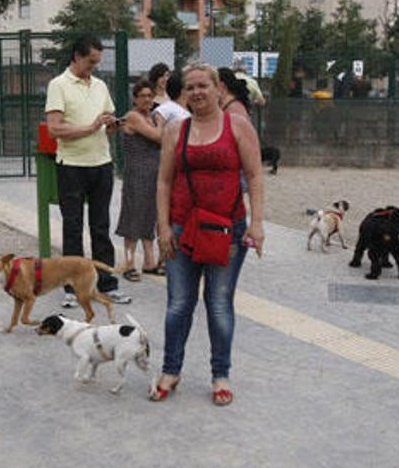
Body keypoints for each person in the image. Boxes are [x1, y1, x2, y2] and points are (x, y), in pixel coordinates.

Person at [152, 64, 266, 406]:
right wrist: (162, 227)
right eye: (190, 87)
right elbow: (164, 181)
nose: (197, 92)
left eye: (203, 85)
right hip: (182, 228)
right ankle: (171, 370)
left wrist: (257, 224)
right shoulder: (176, 130)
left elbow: (256, 176)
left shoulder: (239, 126)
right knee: (178, 304)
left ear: (218, 88)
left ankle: (221, 374)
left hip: (227, 229)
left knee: (218, 304)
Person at [45, 35, 131, 307]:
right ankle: (71, 288)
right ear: (77, 57)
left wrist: (112, 125)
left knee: (101, 226)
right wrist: (92, 127)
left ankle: (107, 284)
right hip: (71, 166)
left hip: (101, 164)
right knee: (72, 227)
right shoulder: (58, 85)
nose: (93, 67)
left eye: (97, 62)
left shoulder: (100, 85)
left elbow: (105, 122)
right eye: (90, 62)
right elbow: (54, 128)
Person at [116, 79, 164, 281]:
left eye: (150, 96)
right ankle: (128, 263)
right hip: (137, 173)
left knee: (149, 215)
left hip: (153, 173)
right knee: (133, 216)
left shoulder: (150, 116)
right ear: (135, 98)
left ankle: (149, 261)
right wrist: (162, 123)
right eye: (142, 96)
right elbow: (158, 137)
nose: (147, 99)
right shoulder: (134, 117)